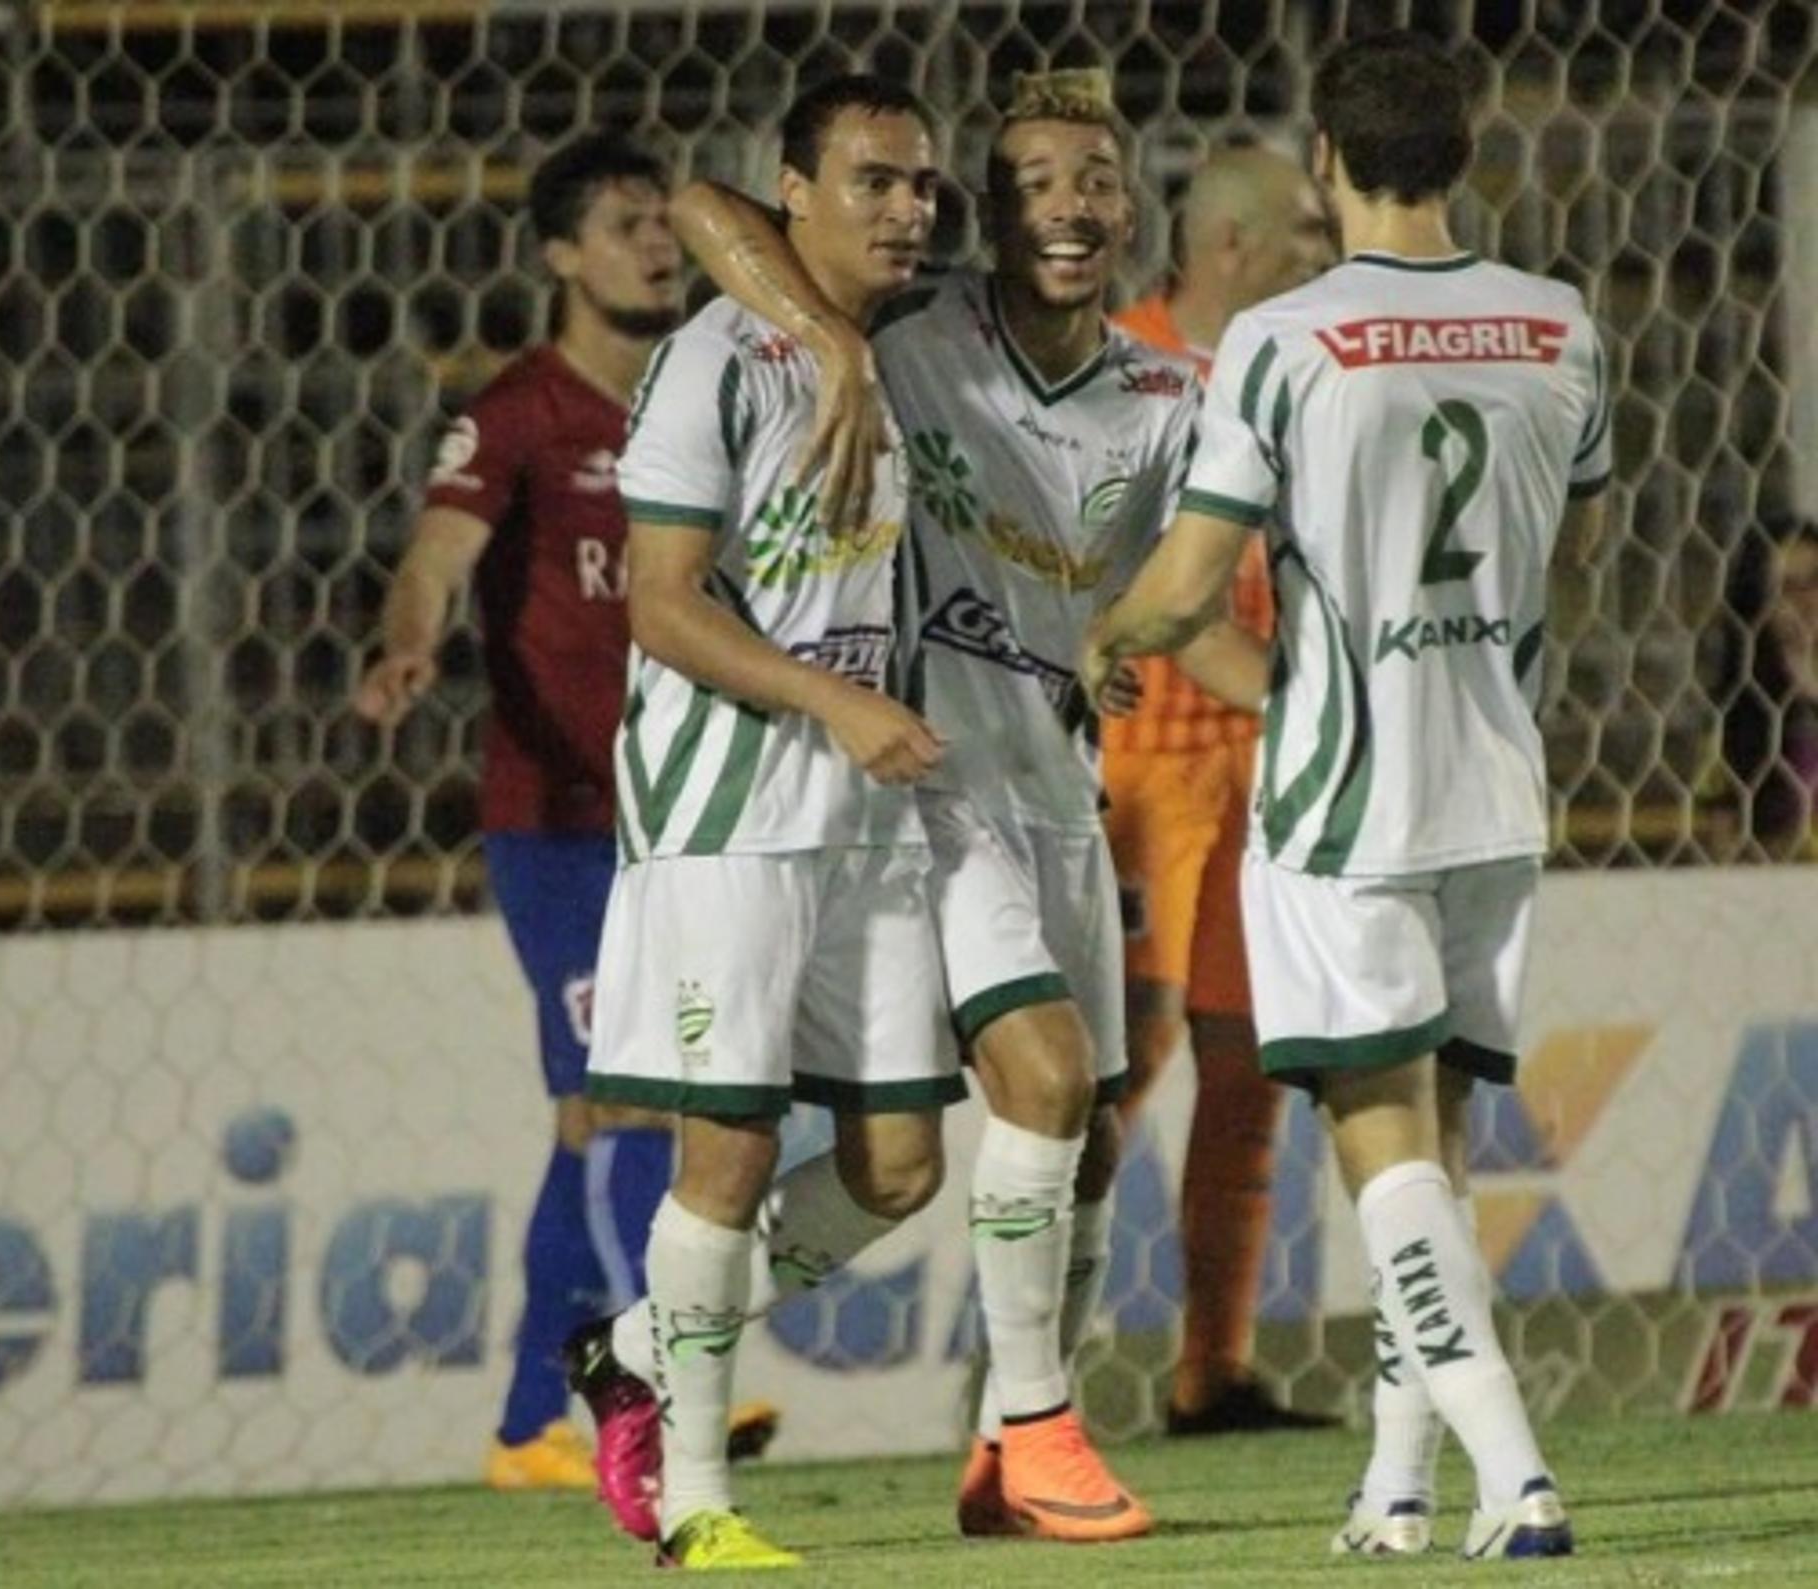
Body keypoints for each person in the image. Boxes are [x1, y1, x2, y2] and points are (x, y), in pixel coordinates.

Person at [670, 68, 1267, 1543]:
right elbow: (703, 203)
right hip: (928, 787)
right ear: (986, 219)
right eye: (1035, 185)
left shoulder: (1165, 398)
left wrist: (1250, 688)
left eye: (1097, 180)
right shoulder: (908, 341)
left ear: (1132, 209)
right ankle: (1040, 1424)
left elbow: (1168, 600)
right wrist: (831, 340)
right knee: (1051, 1083)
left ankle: (646, 1354)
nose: (1071, 206)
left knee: (1073, 1139)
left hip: (1057, 785)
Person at [1085, 30, 1609, 1562]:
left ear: (1329, 159)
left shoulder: (1283, 339)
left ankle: (1516, 1477)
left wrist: (1107, 633)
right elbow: (1557, 562)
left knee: (1378, 1146)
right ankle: (1397, 1483)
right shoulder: (1563, 324)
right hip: (1497, 784)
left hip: (1341, 793)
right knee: (1436, 1150)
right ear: (1467, 148)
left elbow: (1188, 587)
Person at [354, 139, 787, 1493]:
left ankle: (527, 1423)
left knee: (603, 1116)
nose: (657, 244)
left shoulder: (701, 399)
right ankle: (638, 1383)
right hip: (558, 825)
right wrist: (408, 641)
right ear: (559, 256)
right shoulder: (521, 412)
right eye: (622, 225)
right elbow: (436, 556)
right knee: (617, 1099)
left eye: (666, 222)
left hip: (692, 816)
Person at [571, 74, 961, 1571]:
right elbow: (663, 610)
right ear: (791, 193)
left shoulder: (901, 344)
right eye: (871, 181)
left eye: (919, 183)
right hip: (730, 799)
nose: (907, 208)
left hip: (857, 809)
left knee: (900, 1162)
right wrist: (834, 701)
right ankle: (693, 1509)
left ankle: (636, 1349)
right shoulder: (711, 361)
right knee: (724, 1155)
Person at [1104, 144, 1340, 1436]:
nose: (1327, 247)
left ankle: (1215, 1372)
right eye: (1308, 230)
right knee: (1117, 1065)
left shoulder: (1295, 375)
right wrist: (1309, 701)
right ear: (1236, 247)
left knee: (1250, 1068)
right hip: (1140, 761)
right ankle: (1025, 1378)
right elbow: (1154, 597)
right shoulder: (1122, 369)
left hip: (1257, 765)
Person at [1706, 516, 1818, 860]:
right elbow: (1723, 844)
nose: (1803, 601)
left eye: (1814, 581)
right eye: (1785, 586)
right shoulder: (1738, 712)